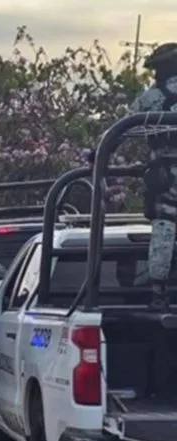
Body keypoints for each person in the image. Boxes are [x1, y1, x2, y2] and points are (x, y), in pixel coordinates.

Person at [128, 42, 177, 310]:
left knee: (163, 228)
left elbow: (124, 127)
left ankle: (159, 293)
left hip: (164, 177)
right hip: (164, 174)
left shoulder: (152, 97)